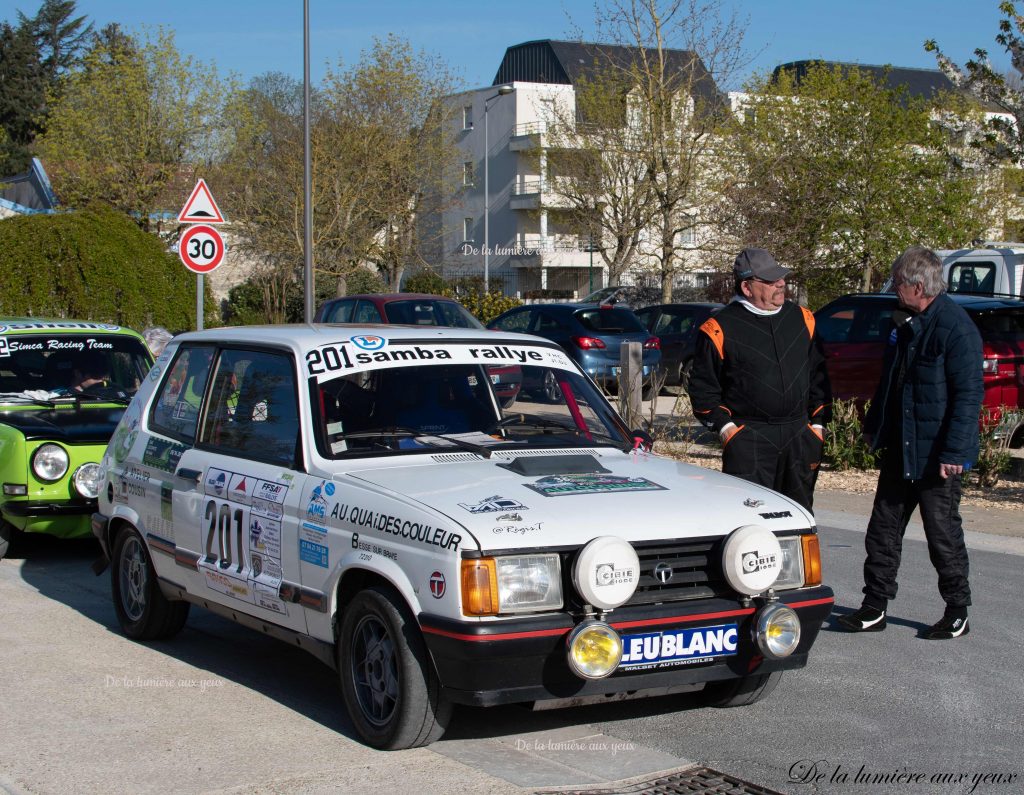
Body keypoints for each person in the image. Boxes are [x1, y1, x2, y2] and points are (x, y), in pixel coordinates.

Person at [838, 246, 983, 640]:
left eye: (898, 283)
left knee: (943, 536)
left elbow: (968, 395)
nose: (894, 289)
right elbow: (891, 385)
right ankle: (874, 607)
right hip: (901, 448)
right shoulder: (907, 324)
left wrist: (955, 452)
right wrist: (874, 426)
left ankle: (957, 611)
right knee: (882, 530)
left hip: (937, 456)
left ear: (918, 286)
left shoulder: (955, 327)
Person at [688, 247, 832, 512]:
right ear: (747, 287)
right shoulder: (718, 328)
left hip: (800, 437)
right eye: (770, 280)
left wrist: (818, 426)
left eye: (781, 278)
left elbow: (819, 378)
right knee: (749, 521)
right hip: (749, 439)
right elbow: (703, 391)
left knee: (798, 518)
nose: (781, 284)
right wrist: (728, 431)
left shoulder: (803, 319)